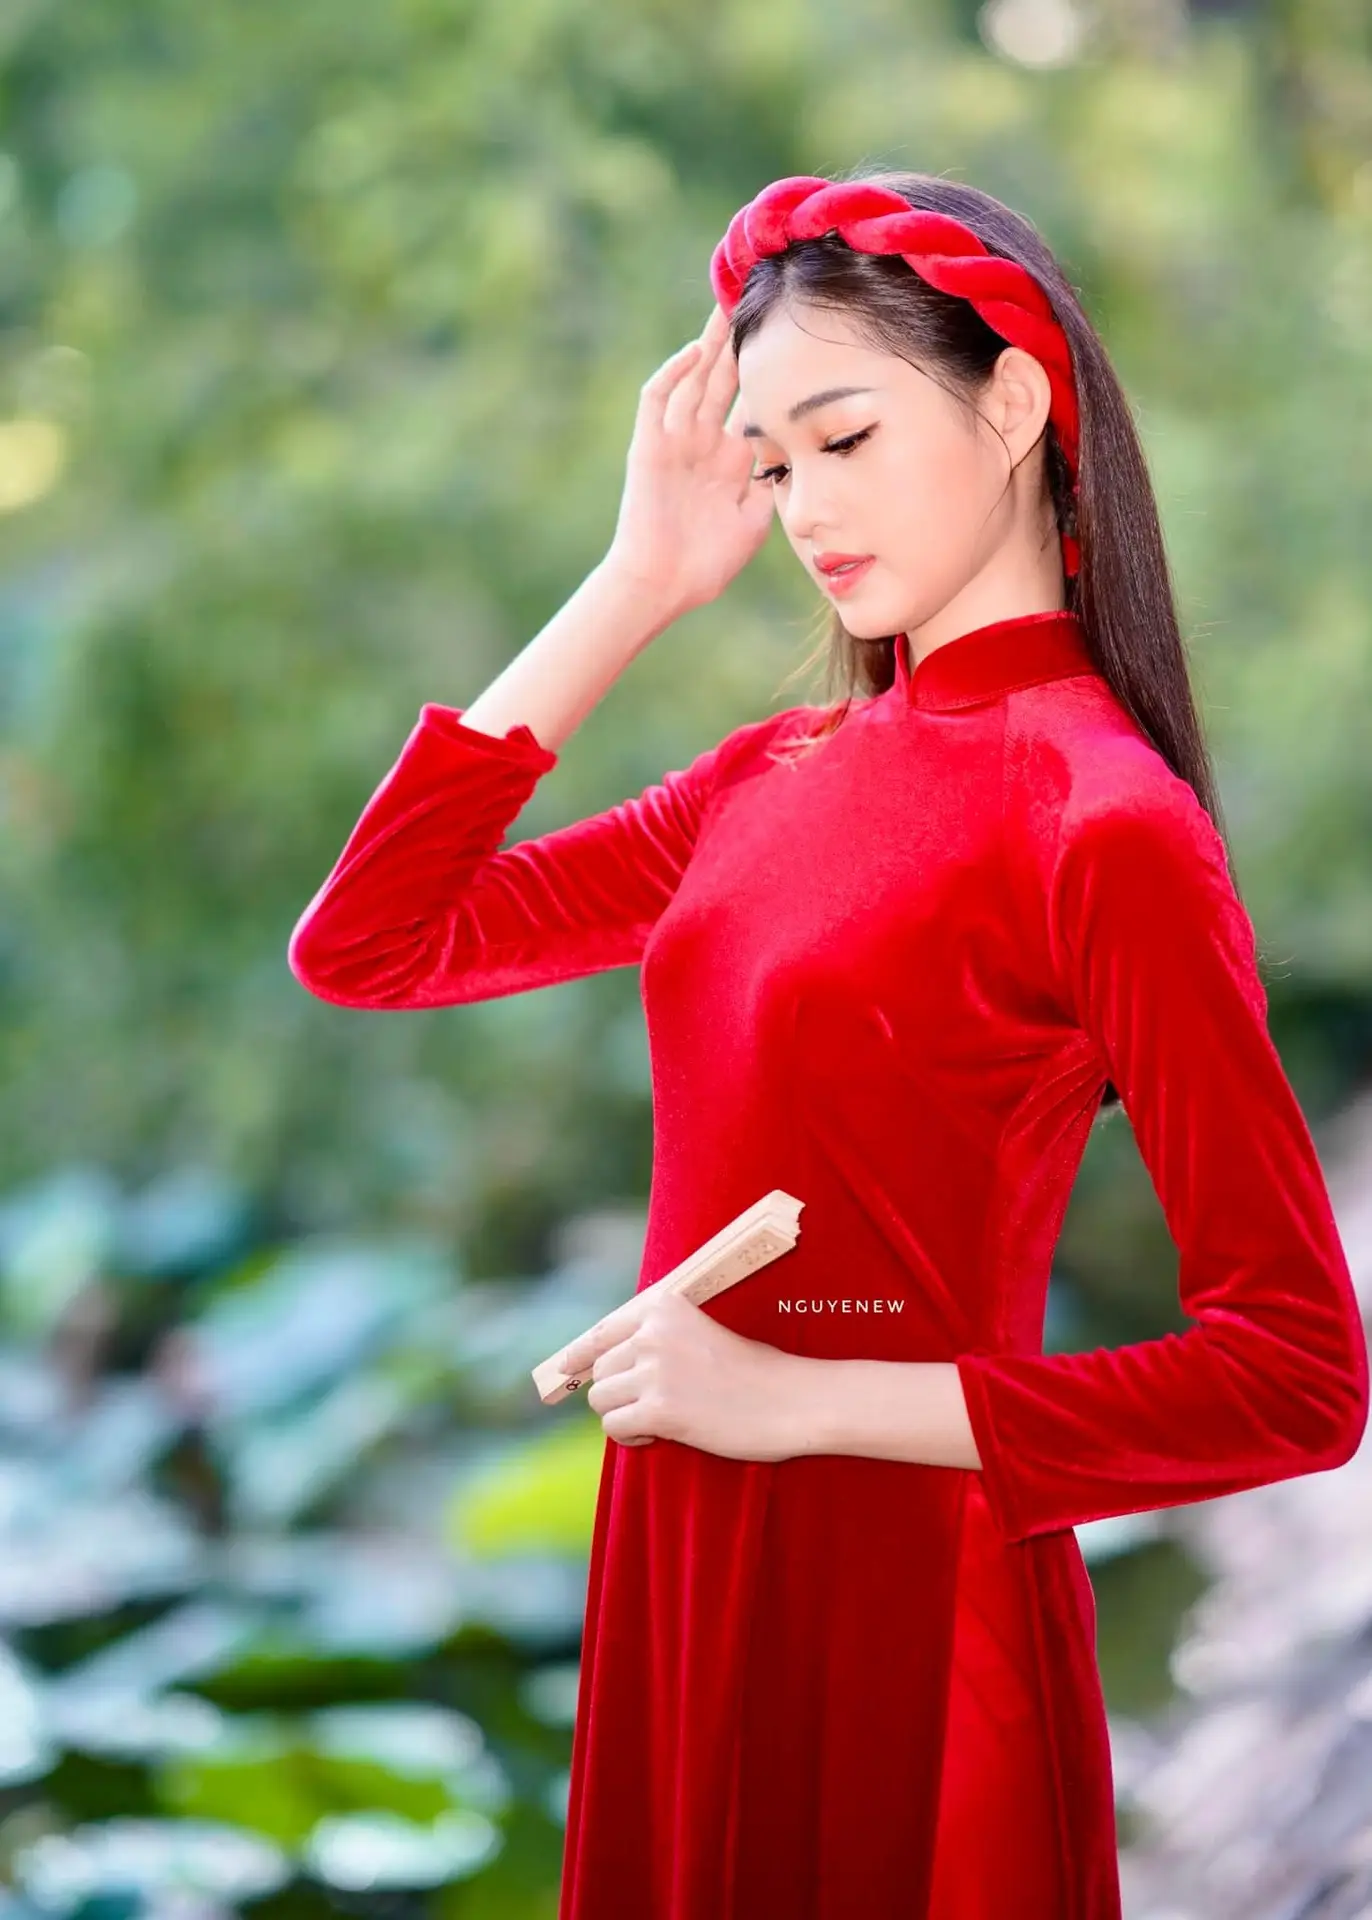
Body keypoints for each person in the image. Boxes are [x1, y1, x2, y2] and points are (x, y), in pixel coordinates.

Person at [287, 168, 1369, 1919]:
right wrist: (637, 579)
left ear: (1014, 404)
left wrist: (791, 1400)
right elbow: (371, 943)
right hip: (687, 1556)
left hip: (904, 1591)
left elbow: (1297, 1376)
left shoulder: (1103, 825)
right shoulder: (766, 779)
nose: (805, 508)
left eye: (846, 437)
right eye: (775, 463)